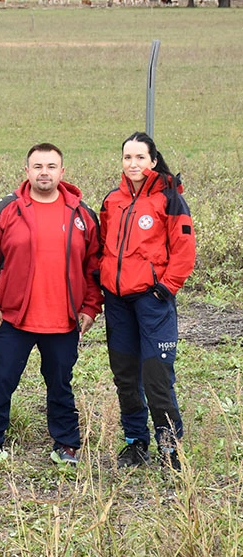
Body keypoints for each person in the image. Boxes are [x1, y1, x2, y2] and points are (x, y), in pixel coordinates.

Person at [0, 143, 102, 470]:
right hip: (14, 318)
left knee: (61, 384)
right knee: (1, 381)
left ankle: (66, 444)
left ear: (62, 171)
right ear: (27, 171)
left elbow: (94, 267)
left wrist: (90, 306)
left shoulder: (82, 214)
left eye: (51, 166)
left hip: (63, 320)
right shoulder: (6, 209)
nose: (44, 172)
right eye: (38, 166)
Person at [100, 132, 196, 471]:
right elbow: (102, 246)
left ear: (153, 161)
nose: (133, 164)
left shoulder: (169, 200)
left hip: (152, 301)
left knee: (156, 377)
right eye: (128, 157)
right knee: (125, 376)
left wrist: (166, 288)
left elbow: (184, 251)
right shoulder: (112, 200)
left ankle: (170, 449)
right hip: (117, 302)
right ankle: (135, 442)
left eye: (140, 157)